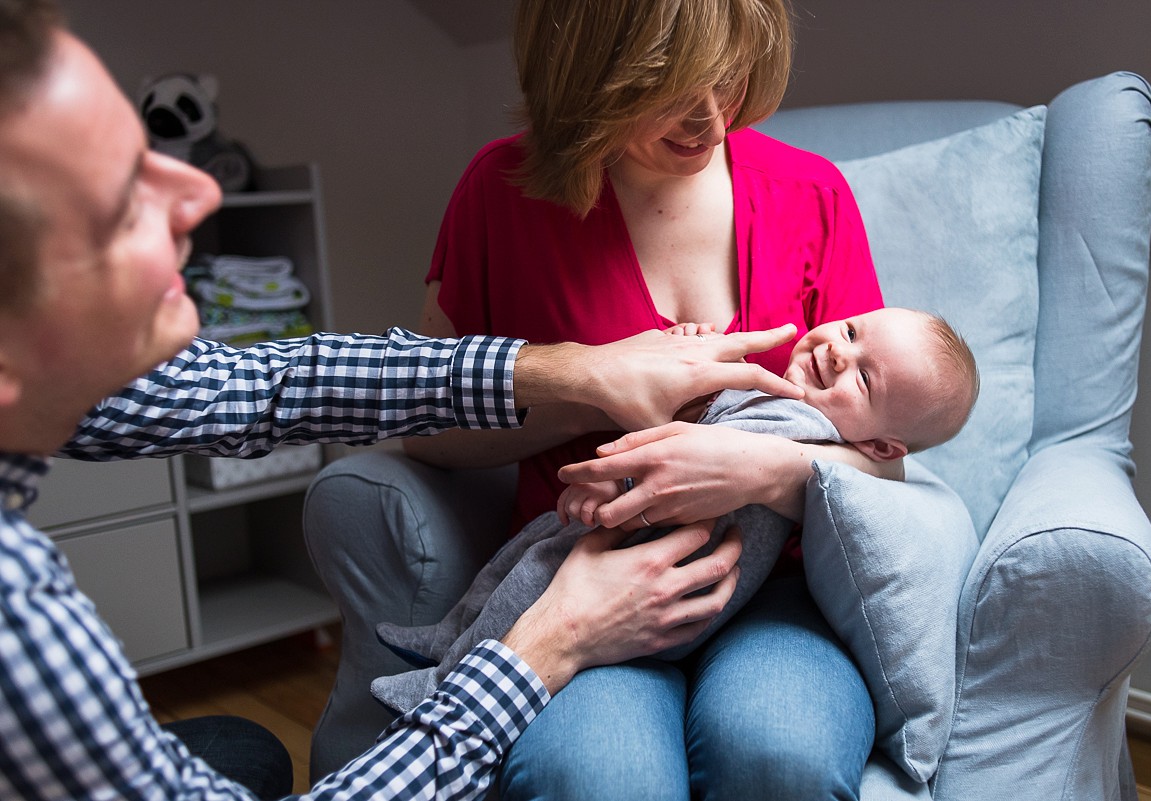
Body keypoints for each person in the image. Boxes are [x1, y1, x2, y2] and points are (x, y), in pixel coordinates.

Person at [0, 2, 817, 799]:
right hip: (578, 588)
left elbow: (262, 385)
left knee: (242, 749)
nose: (200, 194)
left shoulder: (806, 191)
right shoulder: (15, 609)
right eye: (120, 205)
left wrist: (570, 371)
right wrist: (549, 640)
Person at [363, 0, 902, 797]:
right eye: (671, 86)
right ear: (588, 71)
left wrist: (753, 470)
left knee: (779, 755)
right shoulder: (501, 191)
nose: (711, 118)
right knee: (595, 778)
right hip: (587, 581)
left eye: (730, 78)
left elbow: (886, 468)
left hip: (781, 594)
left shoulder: (811, 195)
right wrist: (599, 390)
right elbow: (428, 427)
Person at [369, 307, 978, 714]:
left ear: (879, 446)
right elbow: (700, 430)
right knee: (527, 554)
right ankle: (449, 637)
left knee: (532, 574)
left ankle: (444, 682)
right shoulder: (796, 412)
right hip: (666, 561)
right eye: (850, 331)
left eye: (866, 381)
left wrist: (612, 488)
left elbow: (679, 466)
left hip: (650, 562)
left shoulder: (798, 421)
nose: (838, 354)